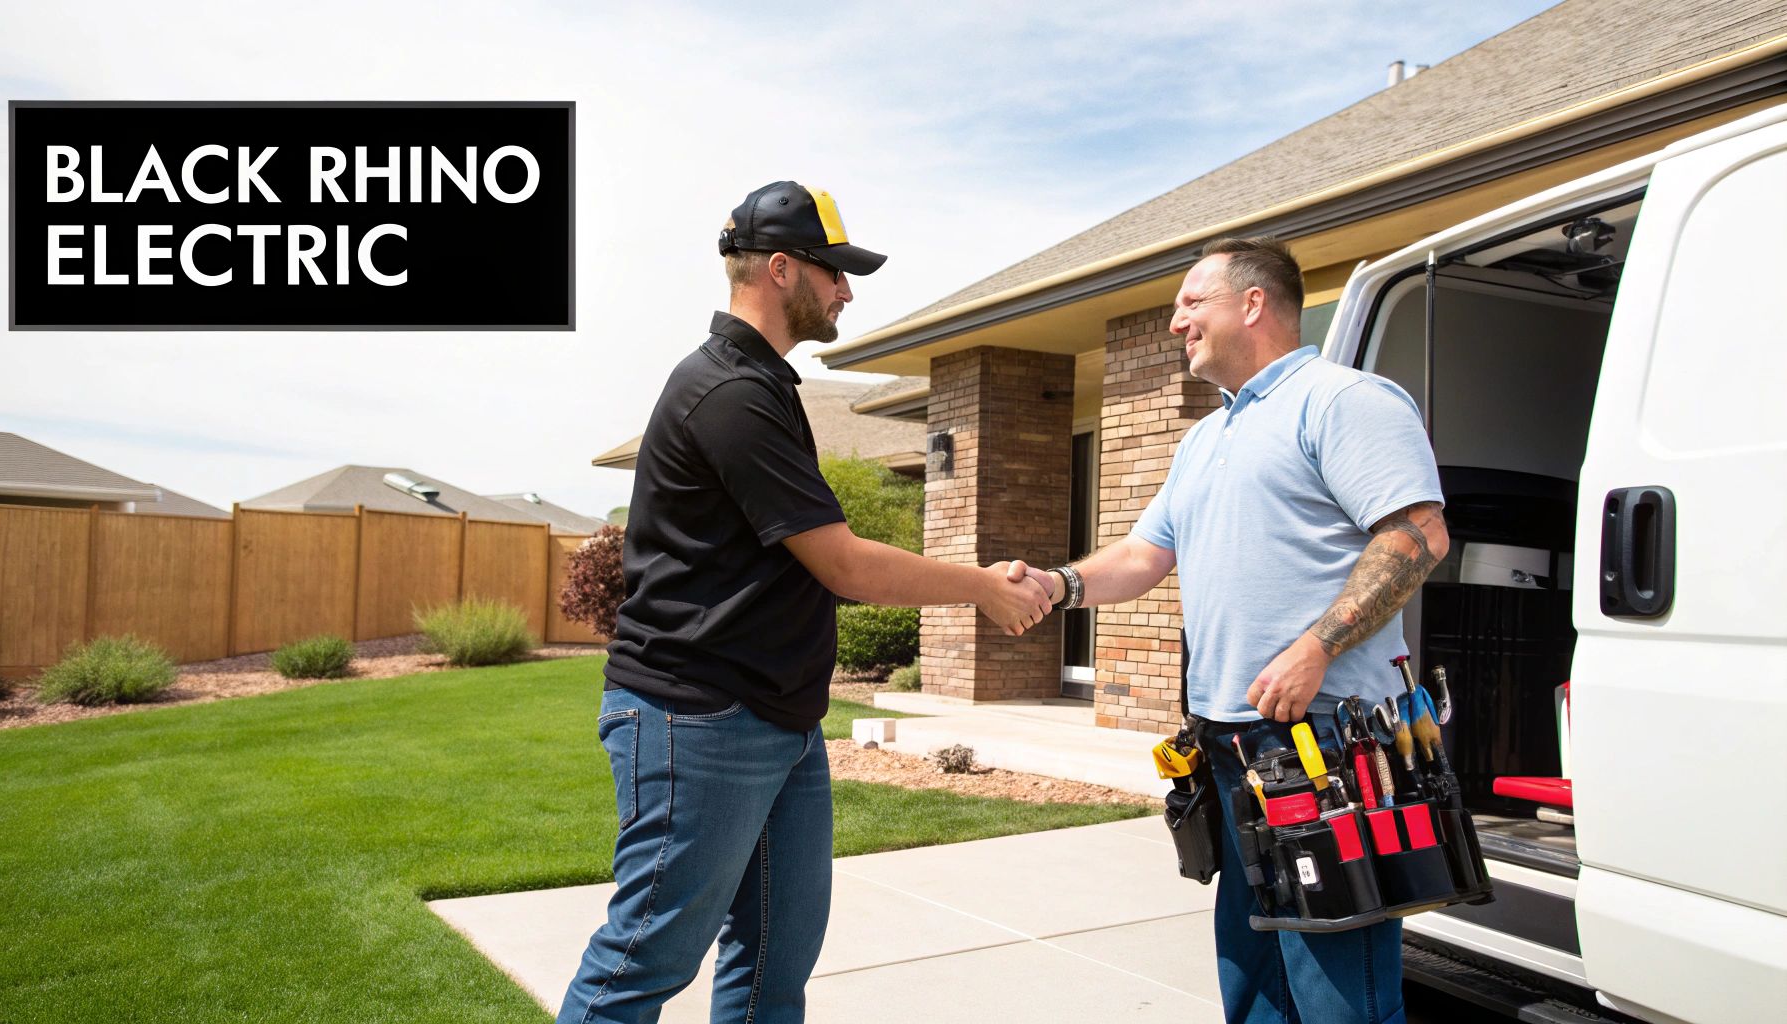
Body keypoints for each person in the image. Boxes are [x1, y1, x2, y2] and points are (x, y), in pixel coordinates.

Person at [557, 181, 1052, 1024]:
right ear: (782, 270)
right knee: (645, 960)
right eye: (836, 272)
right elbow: (844, 564)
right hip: (697, 717)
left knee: (773, 967)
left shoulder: (765, 385)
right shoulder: (729, 394)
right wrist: (982, 590)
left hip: (776, 720)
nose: (847, 291)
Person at [1020, 236, 1448, 1024]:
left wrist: (1317, 648)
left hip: (1324, 736)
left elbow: (1417, 533)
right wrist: (1059, 585)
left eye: (1192, 302)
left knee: (1334, 982)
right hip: (1227, 739)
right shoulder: (1204, 438)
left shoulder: (1343, 400)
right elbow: (1146, 555)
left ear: (1252, 303)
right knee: (1250, 970)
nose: (1177, 321)